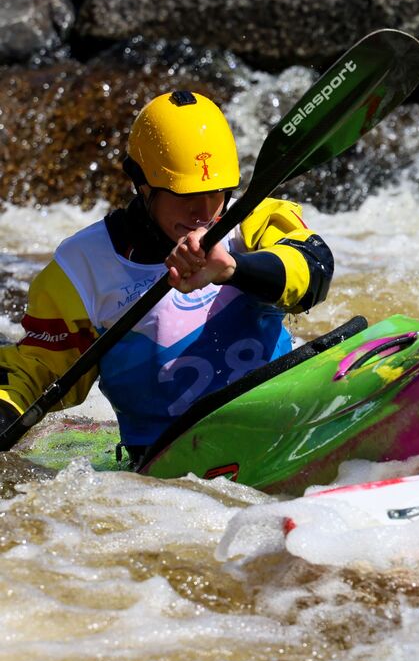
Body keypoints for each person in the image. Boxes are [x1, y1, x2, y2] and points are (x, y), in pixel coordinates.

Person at [0, 91, 334, 456]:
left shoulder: (254, 220)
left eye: (216, 192)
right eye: (185, 195)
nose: (204, 211)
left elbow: (313, 271)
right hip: (167, 459)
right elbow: (36, 368)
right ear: (141, 185)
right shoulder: (82, 267)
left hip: (282, 415)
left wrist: (233, 269)